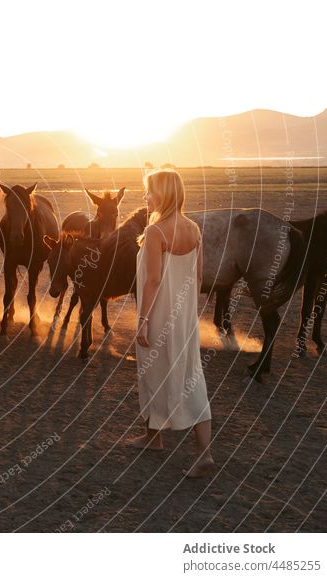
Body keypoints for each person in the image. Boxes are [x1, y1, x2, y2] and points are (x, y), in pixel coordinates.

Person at [131, 169, 214, 478]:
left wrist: (142, 321)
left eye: (149, 191)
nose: (145, 197)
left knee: (153, 372)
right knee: (190, 374)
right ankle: (162, 439)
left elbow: (152, 281)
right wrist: (189, 316)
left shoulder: (155, 232)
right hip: (183, 319)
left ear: (162, 195)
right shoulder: (194, 228)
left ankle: (168, 442)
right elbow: (200, 277)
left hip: (157, 316)